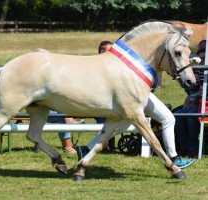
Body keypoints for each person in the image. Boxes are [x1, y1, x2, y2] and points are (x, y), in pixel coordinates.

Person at [76, 40, 195, 168]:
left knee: (123, 125)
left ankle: (86, 149)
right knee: (166, 118)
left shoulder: (146, 53)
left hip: (141, 93)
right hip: (135, 94)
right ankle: (173, 157)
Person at [174, 40, 206, 158]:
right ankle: (183, 148)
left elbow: (201, 94)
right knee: (177, 115)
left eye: (204, 56)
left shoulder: (204, 73)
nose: (202, 58)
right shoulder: (196, 70)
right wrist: (186, 85)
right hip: (196, 106)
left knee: (190, 117)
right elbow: (191, 93)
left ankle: (193, 150)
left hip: (203, 106)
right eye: (200, 55)